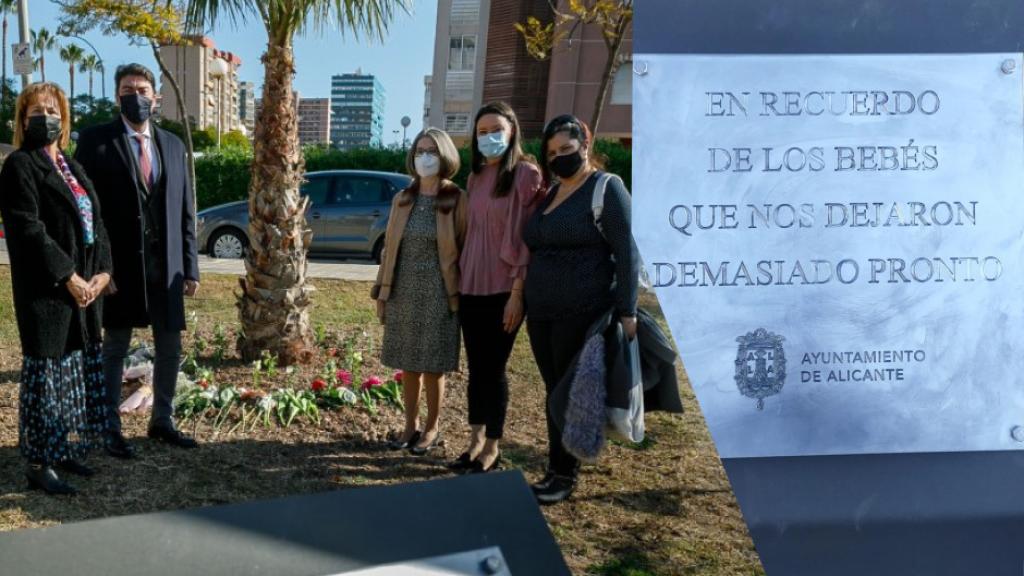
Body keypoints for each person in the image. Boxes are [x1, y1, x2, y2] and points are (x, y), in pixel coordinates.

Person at [74, 63, 200, 456]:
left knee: (169, 346)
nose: (136, 95)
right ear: (117, 96)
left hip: (167, 267)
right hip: (117, 266)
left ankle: (162, 420)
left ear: (155, 97)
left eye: (143, 89)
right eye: (128, 88)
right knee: (115, 345)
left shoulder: (174, 146)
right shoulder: (95, 142)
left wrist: (191, 266)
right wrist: (97, 268)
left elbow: (186, 211)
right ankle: (108, 426)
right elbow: (85, 212)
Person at [0, 82, 113, 494]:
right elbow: (28, 229)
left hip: (84, 289)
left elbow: (95, 222)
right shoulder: (19, 166)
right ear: (22, 120)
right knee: (46, 375)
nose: (44, 117)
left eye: (51, 110)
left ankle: (63, 449)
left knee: (71, 373)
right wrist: (68, 276)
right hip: (47, 291)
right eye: (35, 111)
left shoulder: (70, 164)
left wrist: (102, 272)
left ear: (63, 119)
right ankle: (38, 462)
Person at [523, 114, 639, 504]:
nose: (559, 158)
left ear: (586, 145)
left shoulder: (606, 188)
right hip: (540, 314)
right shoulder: (551, 194)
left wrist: (628, 311)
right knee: (554, 392)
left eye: (567, 150)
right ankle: (556, 467)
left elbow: (626, 254)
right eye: (552, 152)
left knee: (571, 394)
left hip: (582, 311)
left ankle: (564, 474)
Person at [448, 102, 545, 474]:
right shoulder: (474, 178)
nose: (489, 137)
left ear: (512, 131)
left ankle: (492, 445)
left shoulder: (525, 174)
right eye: (482, 130)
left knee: (494, 368)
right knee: (476, 368)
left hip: (506, 288)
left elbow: (526, 238)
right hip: (471, 283)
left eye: (496, 129)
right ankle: (473, 439)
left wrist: (518, 294)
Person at [373, 128, 467, 455]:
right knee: (408, 364)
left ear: (444, 156)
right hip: (403, 292)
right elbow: (389, 250)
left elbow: (464, 247)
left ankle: (432, 428)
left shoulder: (456, 197)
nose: (425, 157)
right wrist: (382, 294)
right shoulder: (403, 198)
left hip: (440, 294)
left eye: (431, 151)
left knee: (433, 365)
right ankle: (410, 426)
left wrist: (459, 296)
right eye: (420, 151)